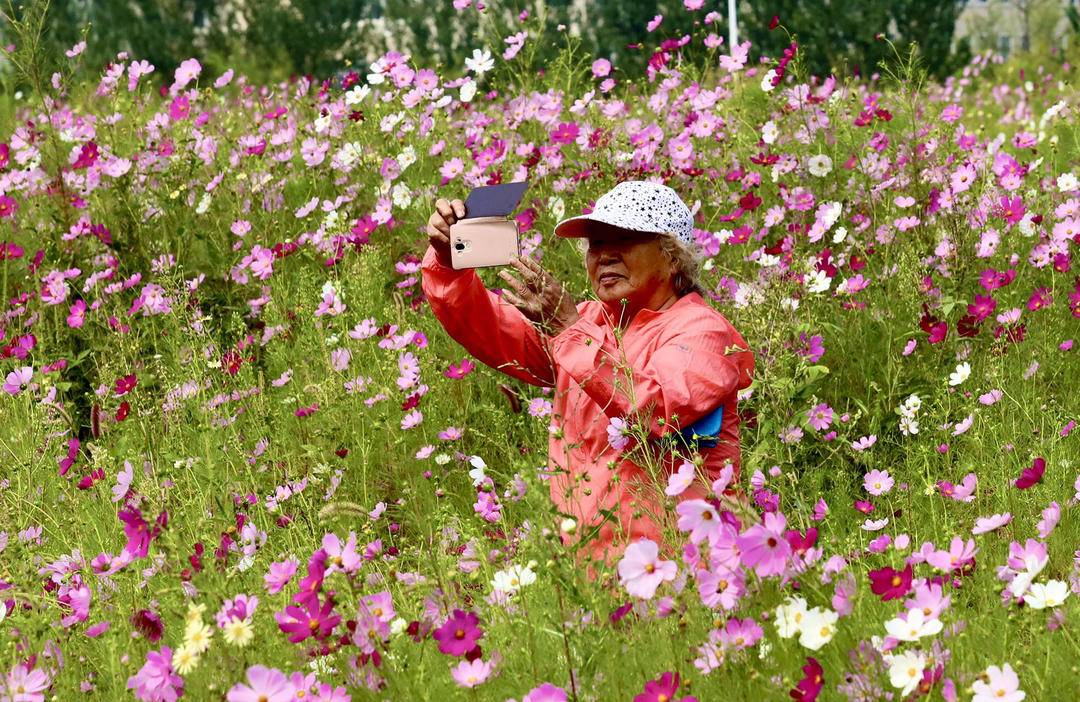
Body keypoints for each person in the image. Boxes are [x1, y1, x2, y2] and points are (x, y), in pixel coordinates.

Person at [421, 180, 754, 565]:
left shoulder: (701, 331)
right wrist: (448, 260)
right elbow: (485, 325)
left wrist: (568, 330)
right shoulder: (588, 322)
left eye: (624, 239)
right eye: (595, 244)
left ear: (673, 256)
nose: (604, 256)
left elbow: (658, 407)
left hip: (683, 570)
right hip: (595, 571)